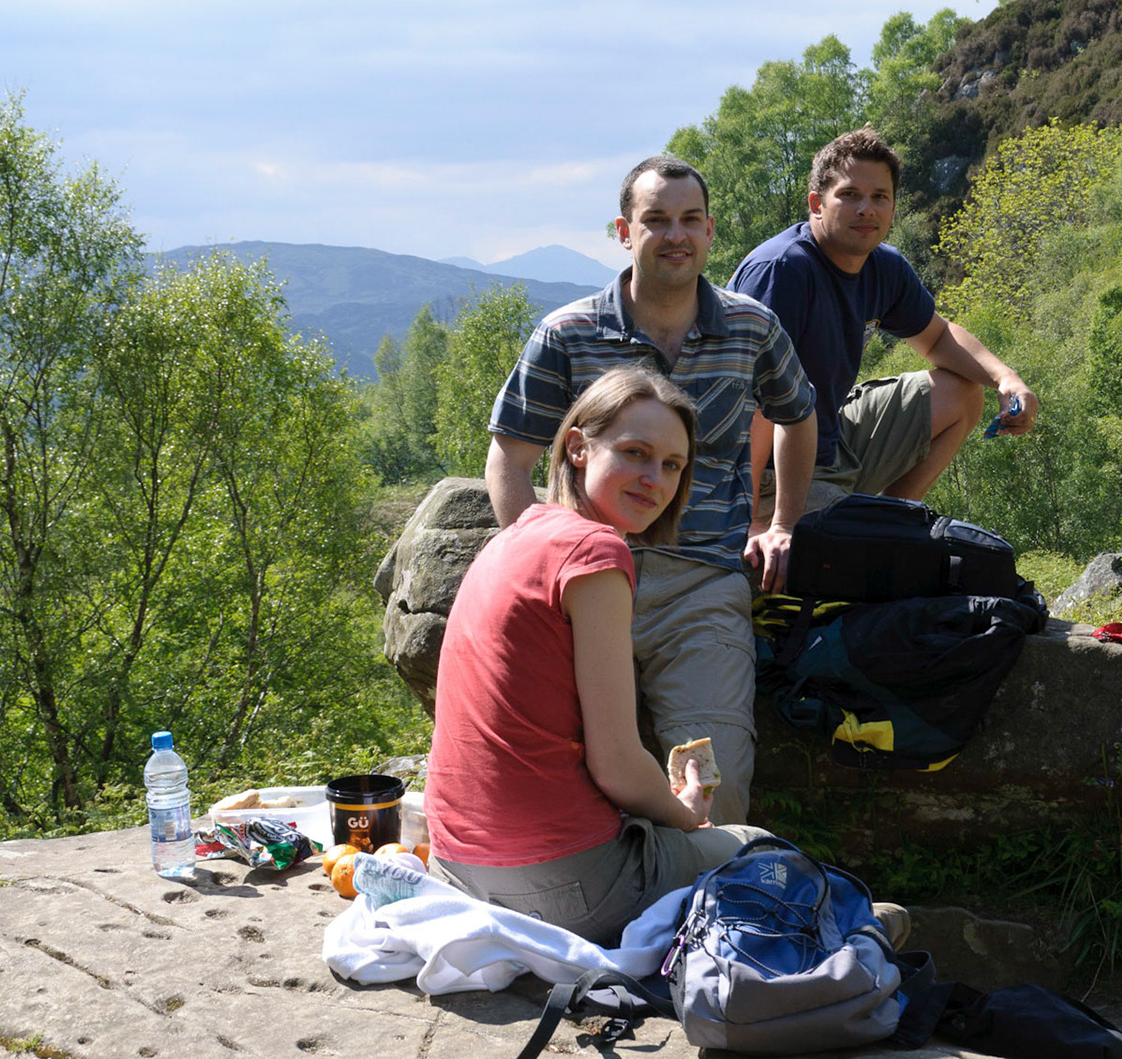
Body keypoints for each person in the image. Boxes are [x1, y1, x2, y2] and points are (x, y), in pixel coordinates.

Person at [484, 155, 818, 824]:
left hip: (700, 586)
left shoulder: (751, 328)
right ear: (623, 230)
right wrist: (536, 564)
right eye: (656, 219)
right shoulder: (567, 334)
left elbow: (798, 415)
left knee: (717, 783)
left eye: (690, 219)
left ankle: (706, 914)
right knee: (550, 776)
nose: (676, 235)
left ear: (710, 231)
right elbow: (510, 457)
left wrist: (780, 520)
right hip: (581, 584)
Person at [429, 368, 769, 942]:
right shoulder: (595, 552)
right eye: (635, 453)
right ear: (578, 448)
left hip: (457, 867)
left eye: (672, 465)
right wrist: (688, 813)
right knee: (756, 849)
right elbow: (614, 764)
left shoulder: (513, 537)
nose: (654, 480)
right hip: (561, 884)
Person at [729, 127, 1038, 524]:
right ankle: (833, 527)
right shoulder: (783, 271)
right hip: (765, 467)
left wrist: (1006, 379)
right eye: (850, 195)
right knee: (829, 568)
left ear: (893, 206)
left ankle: (890, 521)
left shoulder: (884, 267)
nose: (866, 209)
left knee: (961, 393)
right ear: (816, 204)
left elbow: (939, 337)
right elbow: (744, 407)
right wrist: (747, 521)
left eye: (880, 197)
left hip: (829, 435)